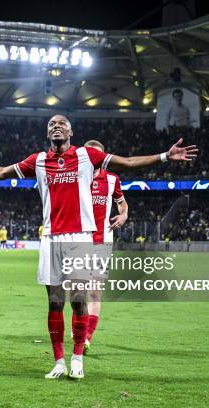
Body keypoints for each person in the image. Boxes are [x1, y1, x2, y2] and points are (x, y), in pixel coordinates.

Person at [0, 114, 197, 380]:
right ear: (47, 133)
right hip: (51, 238)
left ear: (71, 131)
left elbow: (128, 163)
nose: (56, 126)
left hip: (80, 238)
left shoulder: (87, 155)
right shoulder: (37, 160)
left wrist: (165, 156)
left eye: (61, 123)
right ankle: (59, 361)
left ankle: (78, 358)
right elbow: (2, 172)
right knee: (54, 303)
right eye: (51, 124)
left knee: (79, 300)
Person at [83, 140, 128, 354]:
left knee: (95, 291)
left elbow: (122, 204)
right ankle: (79, 328)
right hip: (77, 240)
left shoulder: (112, 180)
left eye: (99, 156)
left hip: (102, 241)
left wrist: (124, 214)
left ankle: (86, 337)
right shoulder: (76, 179)